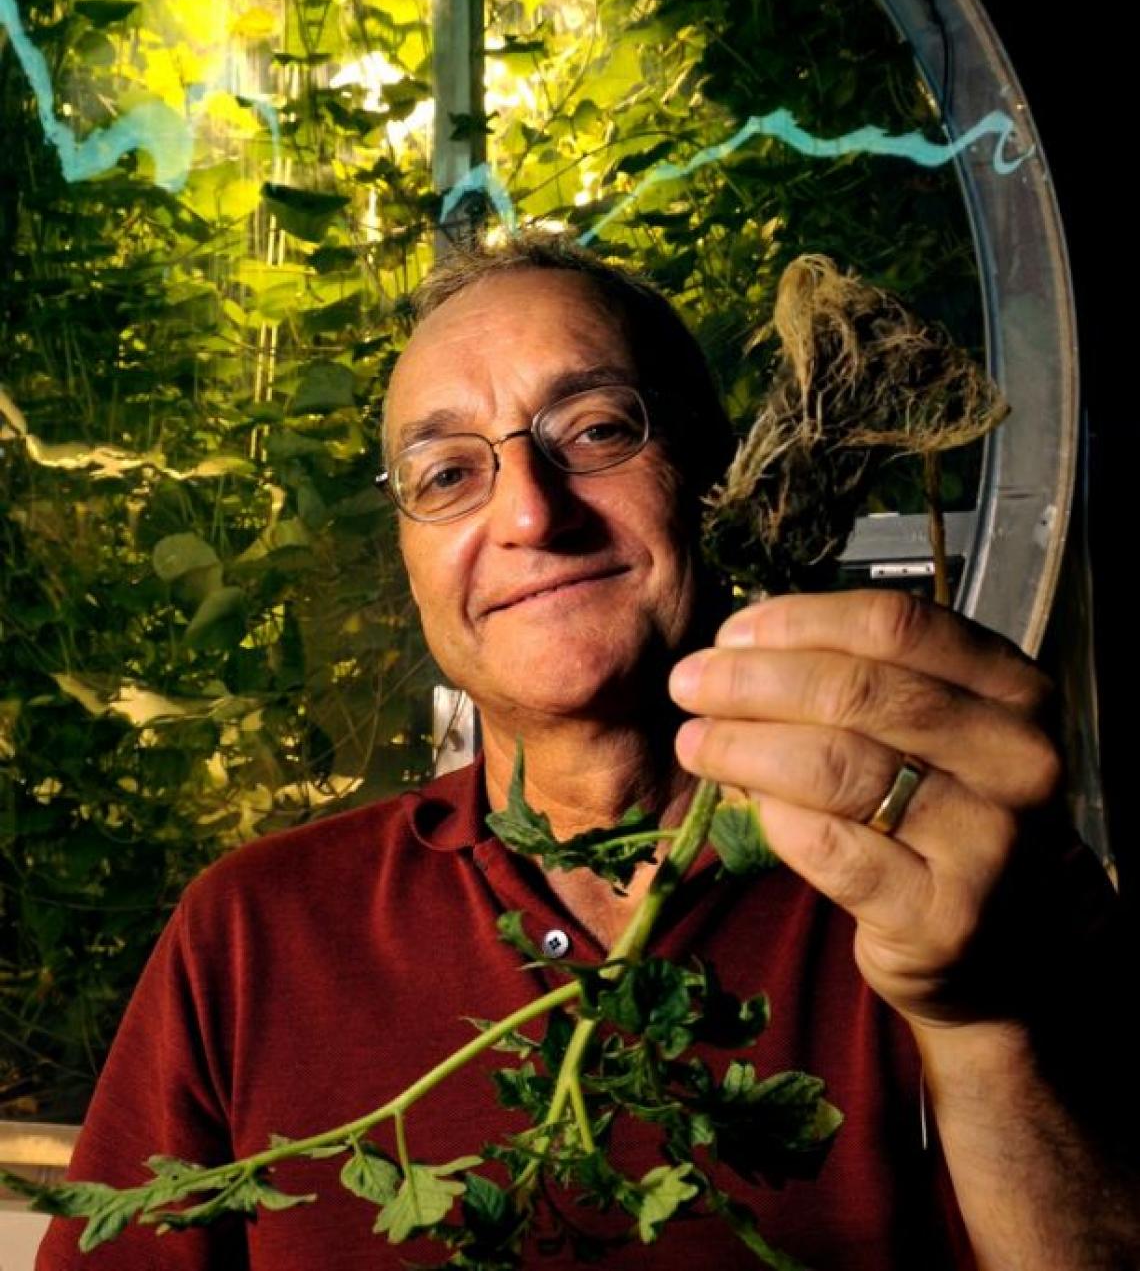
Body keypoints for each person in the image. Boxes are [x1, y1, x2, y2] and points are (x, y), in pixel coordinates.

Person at [38, 234, 1138, 1270]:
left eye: (598, 429)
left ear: (717, 471)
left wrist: (986, 1017)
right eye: (448, 474)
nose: (529, 512)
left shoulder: (935, 883)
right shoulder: (249, 931)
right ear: (411, 563)